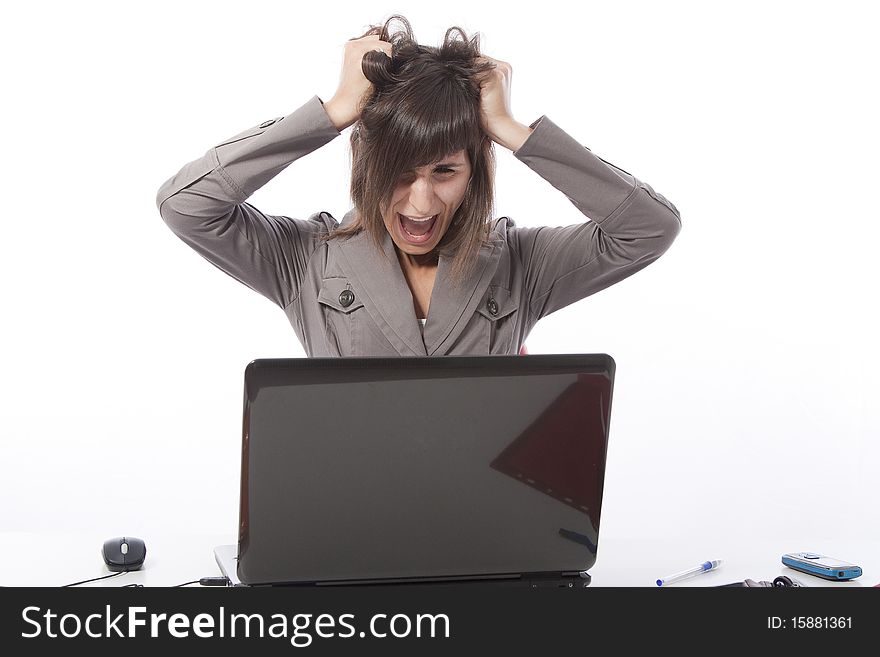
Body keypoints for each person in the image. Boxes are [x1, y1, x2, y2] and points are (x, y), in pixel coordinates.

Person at [156, 16, 681, 357]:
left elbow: (648, 229)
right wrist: (333, 113)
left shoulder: (522, 264)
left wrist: (514, 133)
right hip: (348, 520)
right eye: (400, 172)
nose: (421, 202)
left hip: (482, 522)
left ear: (475, 170)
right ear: (364, 163)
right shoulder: (305, 259)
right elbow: (186, 207)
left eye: (445, 172)